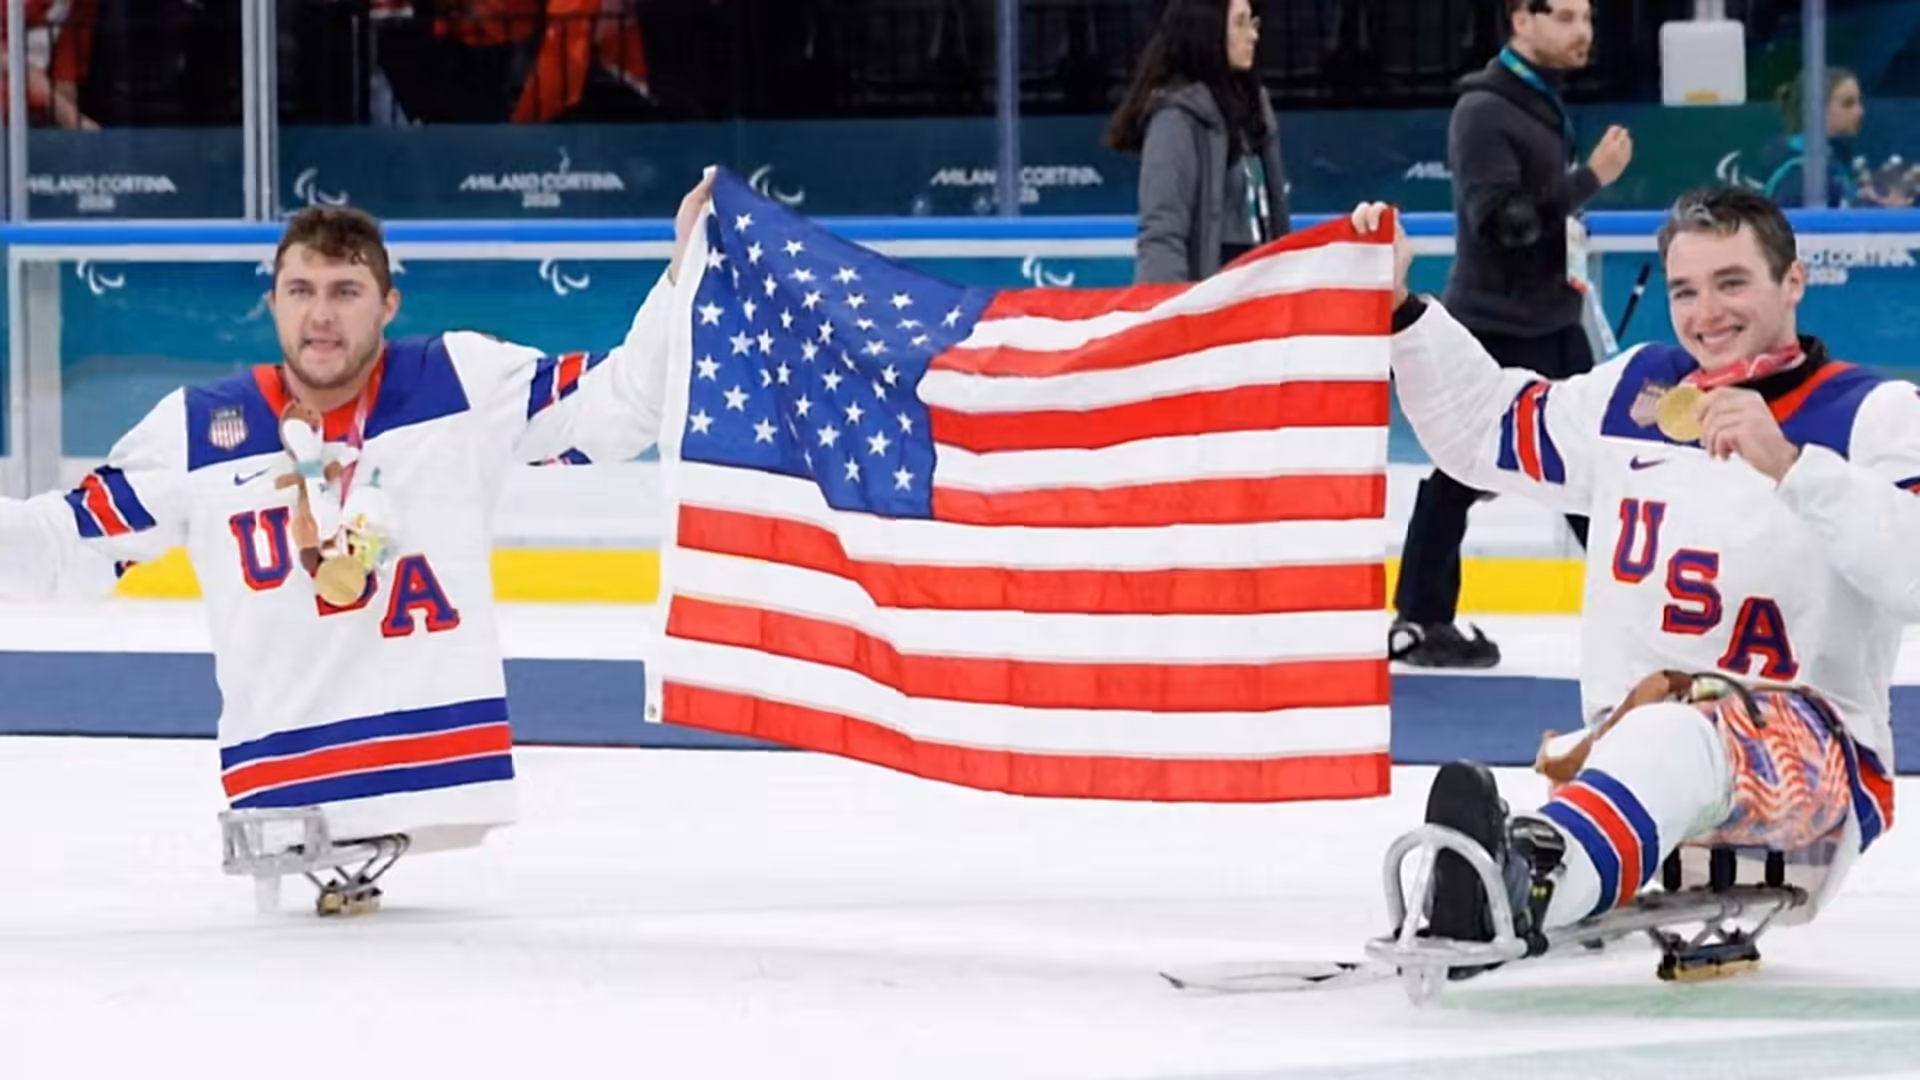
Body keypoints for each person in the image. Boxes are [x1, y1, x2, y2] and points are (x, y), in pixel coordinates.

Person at [6, 168, 715, 913]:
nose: (321, 315)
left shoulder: (459, 381)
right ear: (272, 303)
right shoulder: (196, 429)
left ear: (388, 305)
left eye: (346, 291)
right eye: (301, 290)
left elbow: (619, 407)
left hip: (437, 771)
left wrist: (682, 271)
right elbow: (65, 545)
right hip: (283, 785)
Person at [1351, 186, 1904, 959]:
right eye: (1685, 290)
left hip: (1810, 771)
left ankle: (1521, 879)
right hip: (1629, 754)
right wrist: (1403, 309)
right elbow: (1486, 429)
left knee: (1679, 732)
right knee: (1655, 734)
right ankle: (1524, 882)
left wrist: (1791, 466)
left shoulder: (1874, 414)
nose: (1706, 313)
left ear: (1794, 282)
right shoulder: (1636, 392)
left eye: (1732, 283)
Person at [1388, 0, 1633, 669]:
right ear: (1521, 20)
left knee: (1598, 460)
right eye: (1567, 17)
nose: (1584, 31)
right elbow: (1505, 222)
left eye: (1588, 17)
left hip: (1549, 316)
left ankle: (1642, 605)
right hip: (1495, 322)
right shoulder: (1485, 111)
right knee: (1459, 472)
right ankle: (1419, 619)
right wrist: (1590, 180)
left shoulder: (1538, 103)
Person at [1104, 0, 1291, 284]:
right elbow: (1162, 232)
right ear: (1208, 32)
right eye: (1240, 23)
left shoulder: (1255, 105)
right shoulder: (1176, 118)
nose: (1253, 35)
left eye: (1253, 22)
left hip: (1261, 291)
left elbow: (1277, 216)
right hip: (1211, 295)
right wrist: (1169, 306)